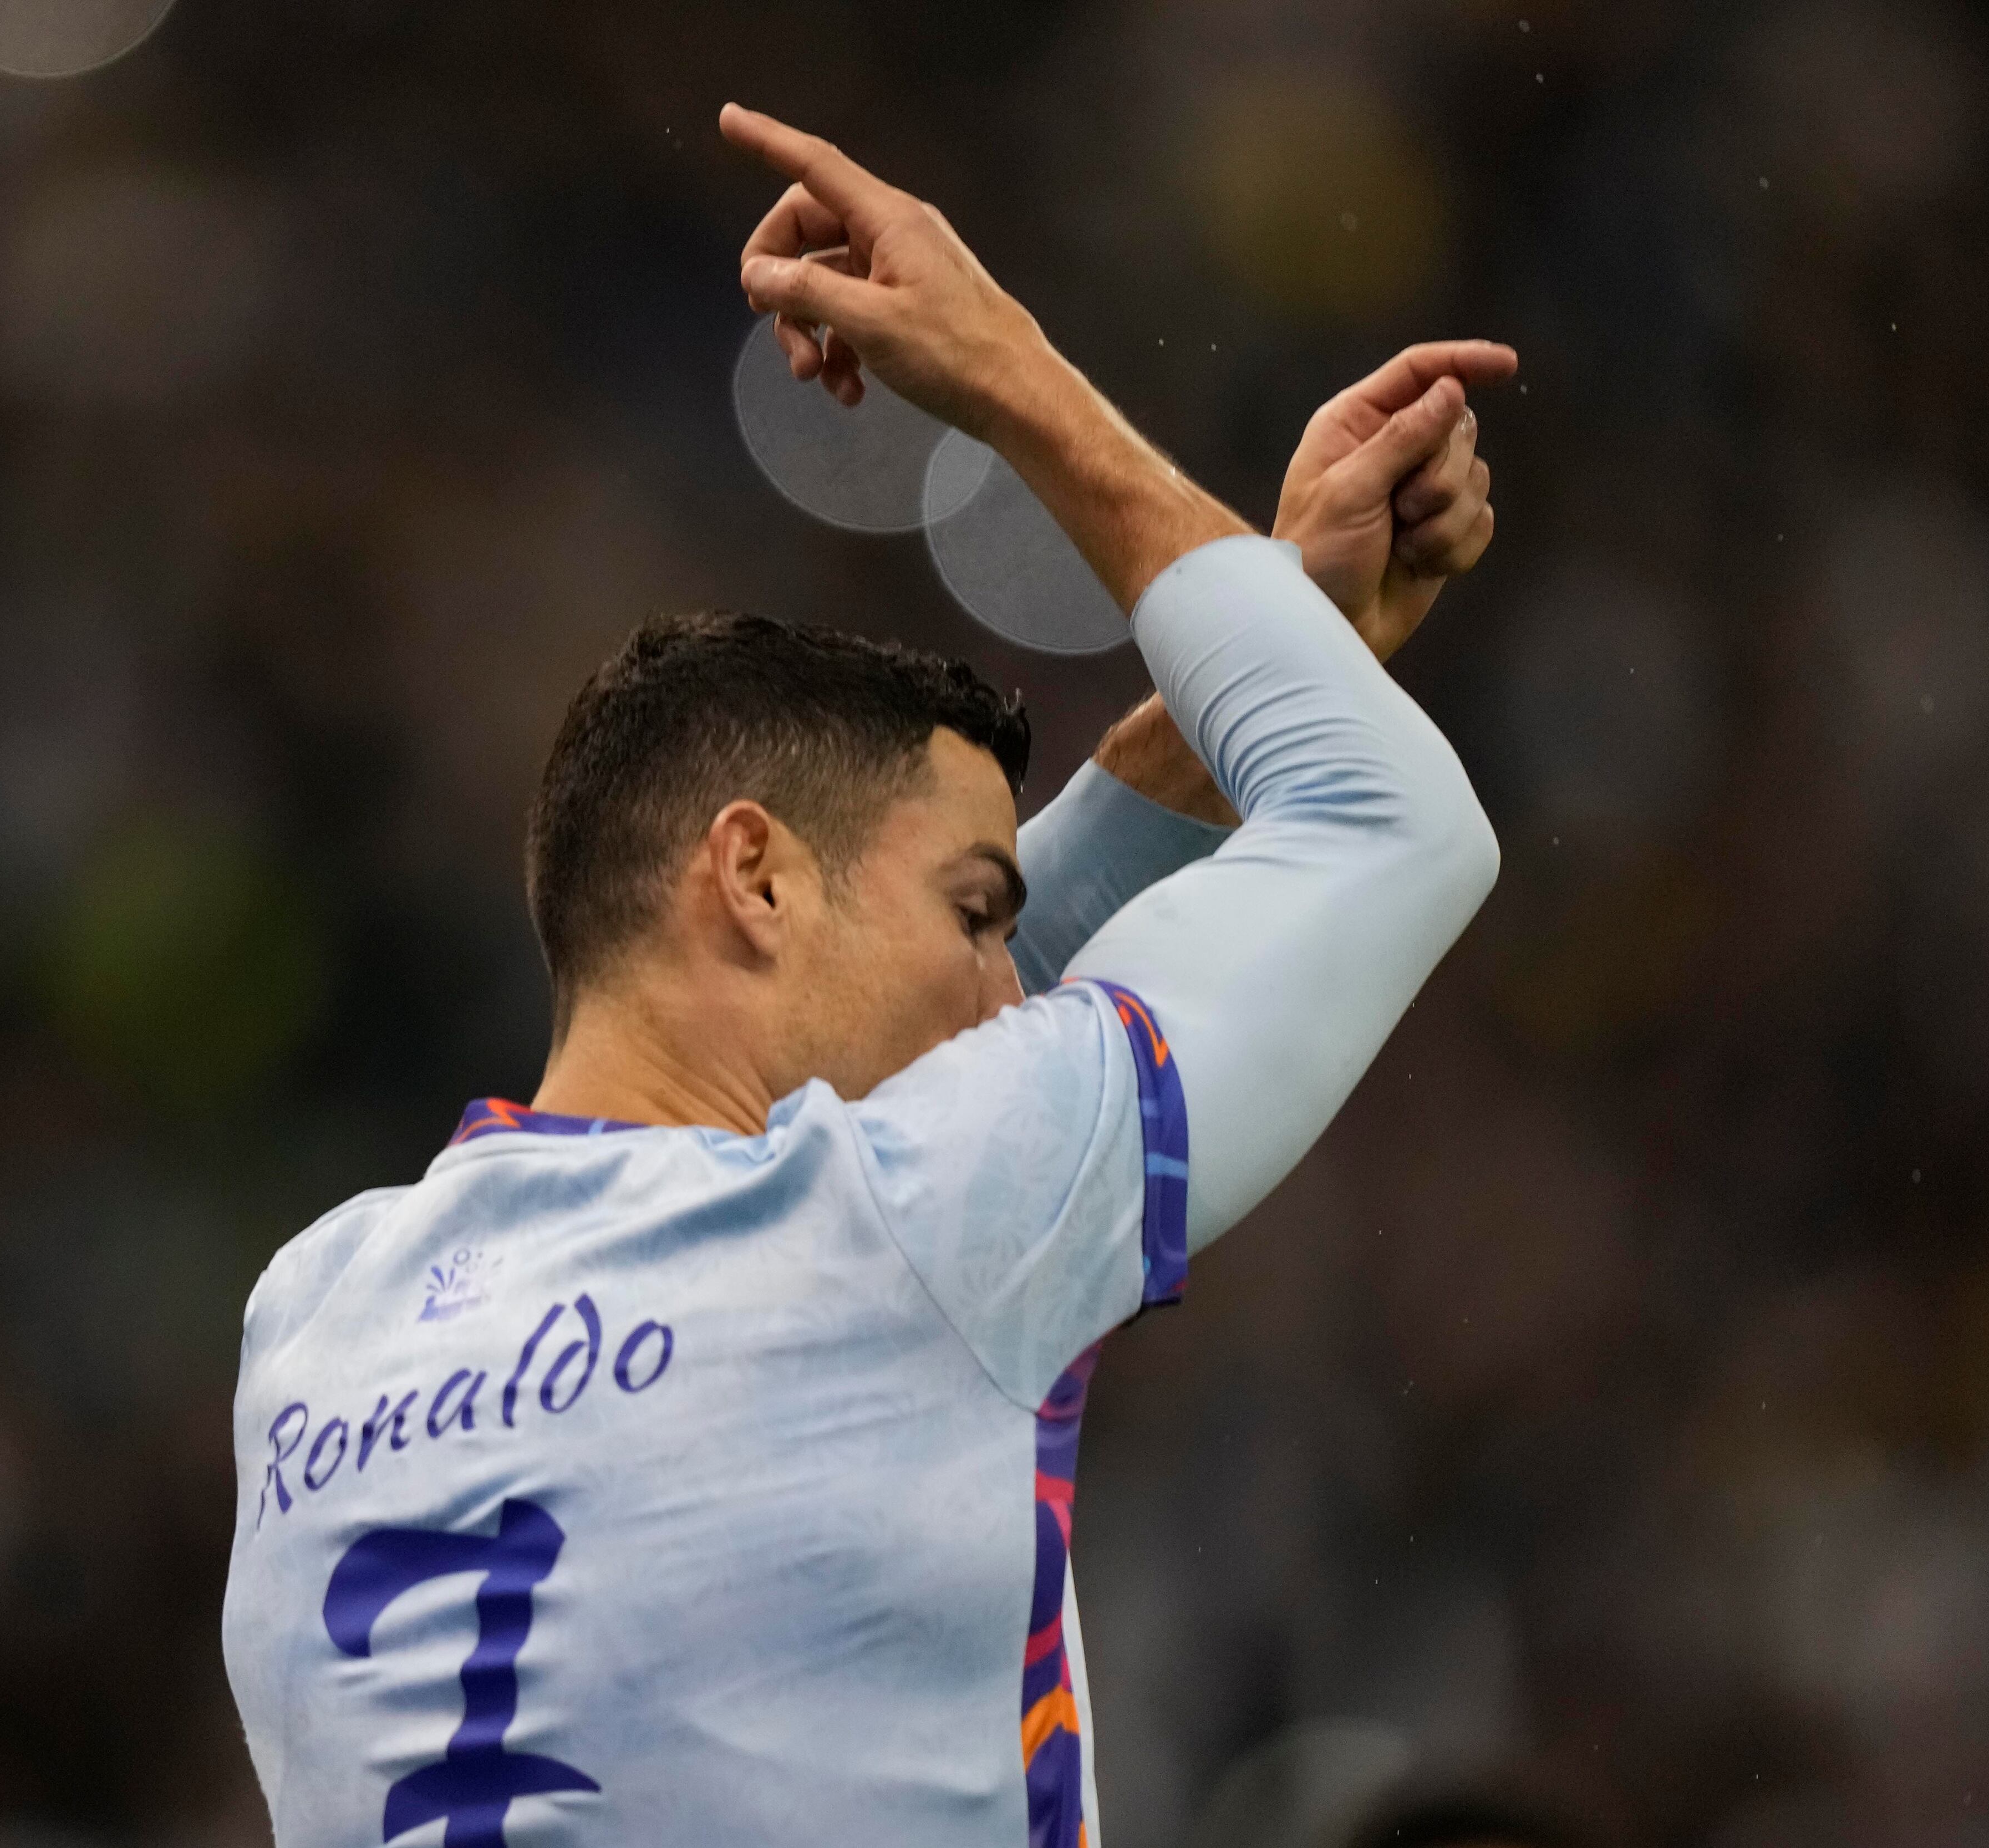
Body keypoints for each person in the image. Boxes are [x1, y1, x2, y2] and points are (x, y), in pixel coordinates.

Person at [219, 103, 1513, 1848]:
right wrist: (1014, 378)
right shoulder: (900, 1235)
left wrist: (1276, 626)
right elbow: (1391, 817)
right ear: (752, 875)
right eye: (976, 913)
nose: (1012, 991)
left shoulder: (314, 1316)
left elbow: (890, 1092)